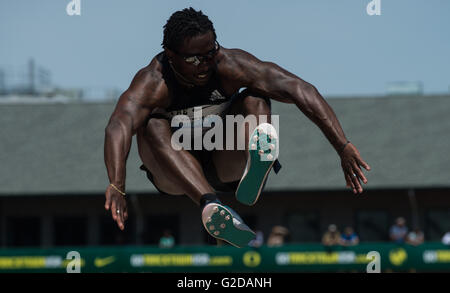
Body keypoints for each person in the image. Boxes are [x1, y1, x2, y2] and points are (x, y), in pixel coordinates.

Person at [103, 7, 371, 248]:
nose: (206, 65)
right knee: (150, 124)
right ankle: (211, 205)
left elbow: (299, 88)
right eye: (196, 59)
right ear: (171, 56)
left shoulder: (229, 64)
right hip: (174, 171)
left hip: (223, 161)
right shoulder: (153, 82)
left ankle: (254, 167)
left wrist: (342, 145)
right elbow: (118, 125)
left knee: (256, 98)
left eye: (211, 52)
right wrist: (117, 183)